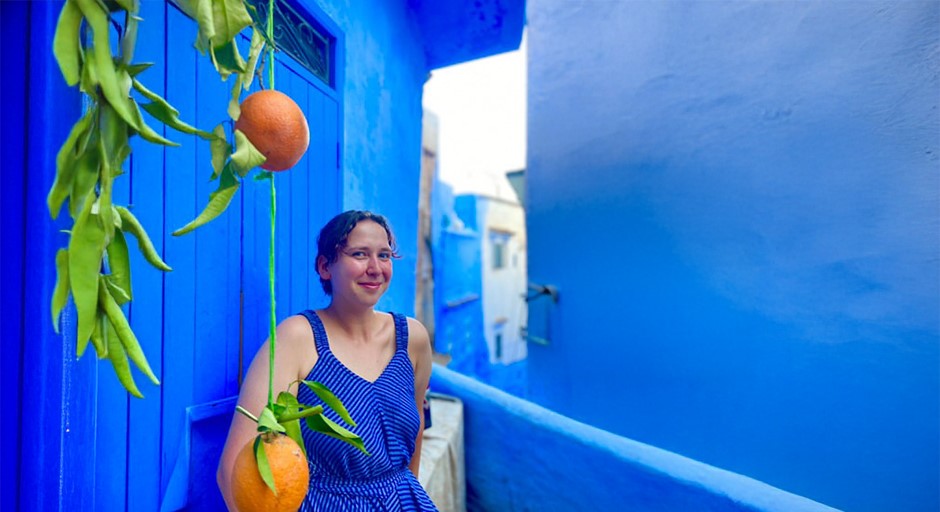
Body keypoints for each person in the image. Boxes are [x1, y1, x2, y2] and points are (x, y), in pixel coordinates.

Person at [217, 210, 436, 510]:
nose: (375, 268)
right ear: (325, 267)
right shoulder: (297, 338)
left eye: (384, 255)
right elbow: (232, 468)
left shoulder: (412, 339)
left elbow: (416, 429)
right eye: (359, 254)